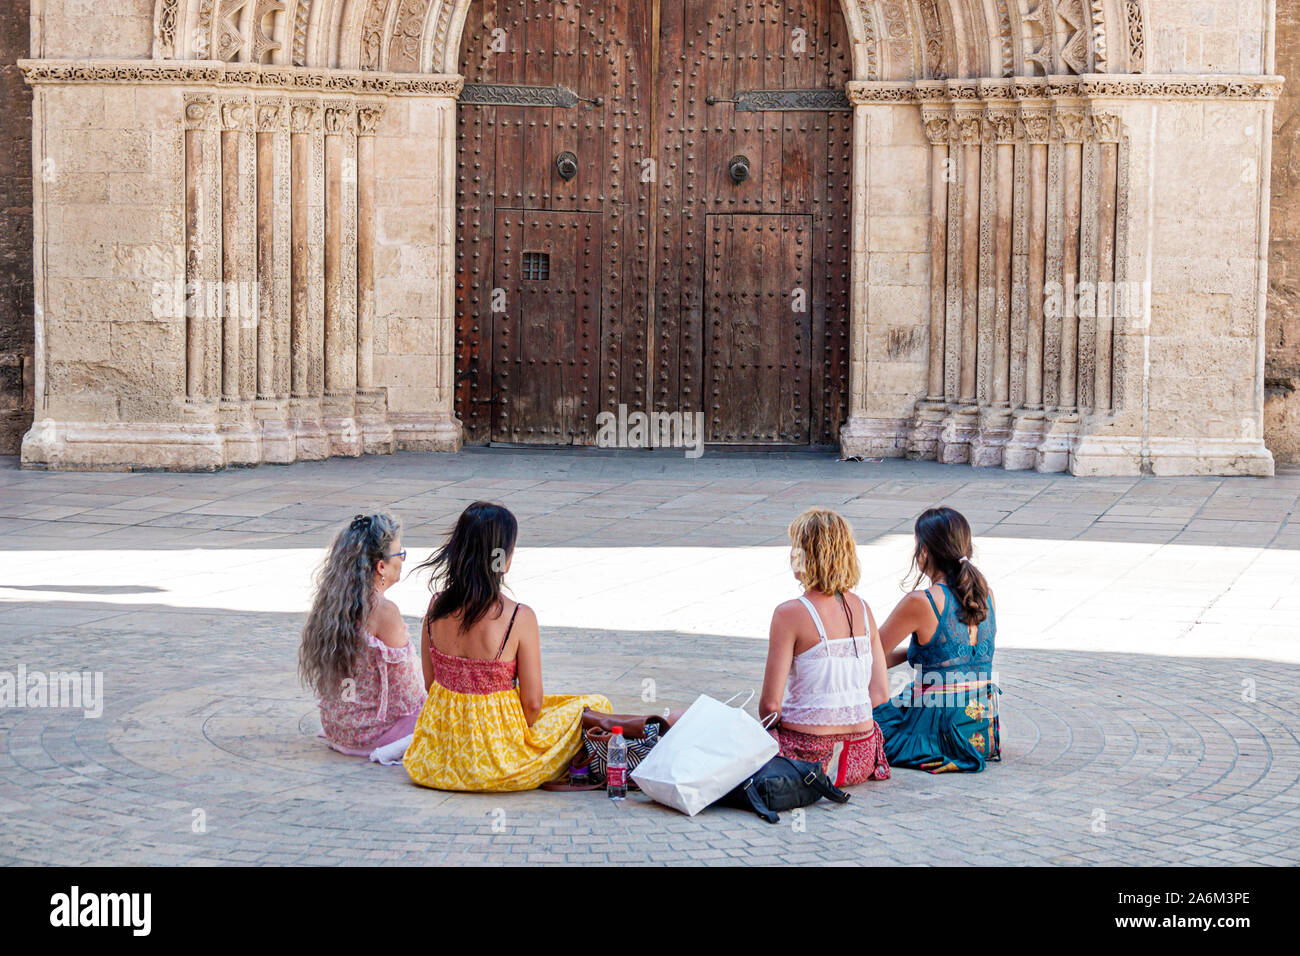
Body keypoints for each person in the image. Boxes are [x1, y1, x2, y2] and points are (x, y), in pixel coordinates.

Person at [403, 501, 611, 792]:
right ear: (504, 559)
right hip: (497, 764)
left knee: (557, 704)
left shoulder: (436, 607)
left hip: (435, 760)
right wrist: (503, 727)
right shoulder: (518, 616)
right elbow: (532, 704)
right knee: (597, 704)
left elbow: (430, 683)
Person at [759, 508, 891, 786]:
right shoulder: (863, 609)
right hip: (861, 755)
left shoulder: (790, 613)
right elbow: (879, 694)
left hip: (808, 756)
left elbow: (770, 707)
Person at [873, 506, 1001, 773]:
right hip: (980, 729)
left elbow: (870, 658)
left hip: (937, 734)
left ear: (924, 552)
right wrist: (914, 653)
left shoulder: (922, 601)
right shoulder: (985, 594)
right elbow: (956, 656)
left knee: (865, 722)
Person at [300, 513, 426, 759]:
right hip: (371, 733)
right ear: (381, 566)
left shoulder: (333, 603)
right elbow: (406, 691)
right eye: (400, 554)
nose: (402, 560)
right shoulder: (384, 611)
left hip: (338, 727)